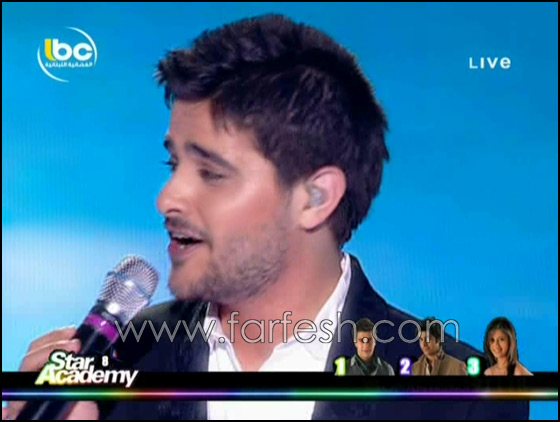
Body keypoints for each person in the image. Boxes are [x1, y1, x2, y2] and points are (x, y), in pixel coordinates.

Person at [3, 14, 528, 420]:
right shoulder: (117, 368)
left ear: (315, 198)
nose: (167, 198)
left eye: (211, 173)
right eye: (173, 165)